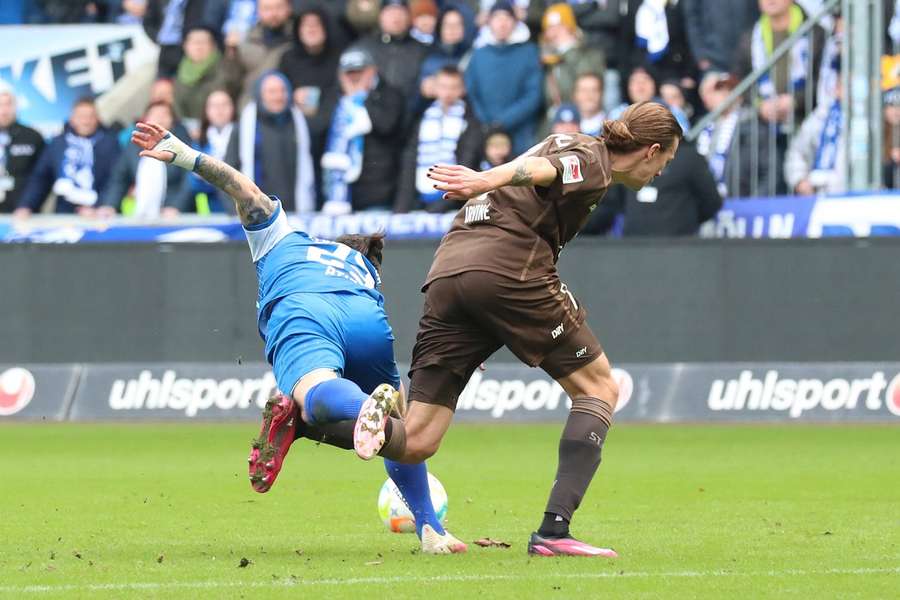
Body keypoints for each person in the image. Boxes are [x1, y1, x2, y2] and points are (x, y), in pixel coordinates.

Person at [131, 119, 467, 555]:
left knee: (315, 390)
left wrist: (184, 154)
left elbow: (244, 191)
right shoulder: (363, 268)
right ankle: (431, 530)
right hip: (365, 313)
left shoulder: (284, 238)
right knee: (399, 427)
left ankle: (337, 412)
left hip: (304, 306)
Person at [381, 101, 682, 557]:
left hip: (449, 272)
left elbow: (544, 162)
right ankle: (554, 531)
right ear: (651, 150)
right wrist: (486, 178)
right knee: (599, 387)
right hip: (509, 271)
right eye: (666, 161)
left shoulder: (571, 139)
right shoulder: (594, 160)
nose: (661, 172)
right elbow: (545, 169)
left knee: (416, 440)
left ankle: (316, 419)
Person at [320, 48, 405, 214]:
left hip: (378, 193)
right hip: (339, 194)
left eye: (359, 71)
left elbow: (386, 125)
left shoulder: (389, 94)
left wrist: (361, 98)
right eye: (349, 72)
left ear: (372, 70)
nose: (354, 77)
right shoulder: (334, 96)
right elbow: (319, 129)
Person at [224, 71, 316, 214]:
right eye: (272, 92)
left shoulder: (300, 124)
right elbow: (228, 171)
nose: (278, 96)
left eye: (282, 91)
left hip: (295, 212)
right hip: (257, 215)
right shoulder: (244, 127)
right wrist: (235, 210)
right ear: (260, 95)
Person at [584, 141, 722, 236]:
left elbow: (712, 201)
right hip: (632, 247)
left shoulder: (689, 157)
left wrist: (686, 219)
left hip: (678, 246)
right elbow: (610, 202)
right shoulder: (627, 157)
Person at [396, 65, 483, 213]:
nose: (448, 92)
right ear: (435, 87)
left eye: (453, 87)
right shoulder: (423, 116)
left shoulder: (470, 121)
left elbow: (467, 162)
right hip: (420, 194)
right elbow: (410, 159)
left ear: (462, 89)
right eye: (443, 86)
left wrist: (444, 204)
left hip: (453, 201)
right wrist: (402, 207)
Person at [278, 6, 343, 203]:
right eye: (306, 25)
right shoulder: (288, 58)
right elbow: (278, 94)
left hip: (332, 134)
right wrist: (292, 97)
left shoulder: (339, 57)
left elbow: (342, 93)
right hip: (297, 135)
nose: (311, 29)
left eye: (316, 25)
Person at [15, 98, 119, 217]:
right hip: (65, 212)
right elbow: (41, 178)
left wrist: (100, 207)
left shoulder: (110, 143)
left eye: (90, 117)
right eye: (81, 117)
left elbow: (115, 180)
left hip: (98, 213)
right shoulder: (58, 143)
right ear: (72, 119)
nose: (86, 121)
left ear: (98, 119)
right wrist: (26, 205)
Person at [465, 1, 542, 154]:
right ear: (489, 22)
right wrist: (488, 122)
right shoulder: (479, 54)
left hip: (521, 135)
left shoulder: (529, 52)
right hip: (485, 132)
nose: (502, 23)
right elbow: (472, 93)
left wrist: (503, 121)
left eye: (507, 18)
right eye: (497, 18)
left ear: (515, 22)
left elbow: (533, 95)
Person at [98, 101, 195, 217]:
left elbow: (189, 180)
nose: (160, 118)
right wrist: (110, 205)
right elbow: (119, 178)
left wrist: (176, 207)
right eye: (155, 115)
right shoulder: (134, 145)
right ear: (145, 120)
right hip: (140, 214)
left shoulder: (182, 145)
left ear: (172, 121)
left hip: (173, 214)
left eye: (164, 115)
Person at [356, 0, 430, 116]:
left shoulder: (423, 51)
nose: (396, 18)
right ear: (380, 17)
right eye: (390, 13)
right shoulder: (364, 48)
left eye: (401, 13)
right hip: (369, 117)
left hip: (410, 117)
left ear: (409, 17)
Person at [223, 0, 295, 107]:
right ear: (258, 11)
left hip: (288, 110)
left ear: (289, 8)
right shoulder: (245, 40)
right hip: (249, 109)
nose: (273, 14)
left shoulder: (299, 40)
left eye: (279, 7)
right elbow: (231, 83)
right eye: (267, 8)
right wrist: (231, 55)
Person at [540, 3, 605, 111]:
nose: (553, 33)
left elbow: (586, 85)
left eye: (559, 27)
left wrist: (569, 49)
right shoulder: (547, 60)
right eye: (549, 28)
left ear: (570, 28)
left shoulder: (589, 54)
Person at [0, 89, 45, 214]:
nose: (4, 111)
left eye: (8, 104)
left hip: (23, 211)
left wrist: (28, 204)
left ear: (16, 107)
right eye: (0, 105)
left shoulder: (33, 137)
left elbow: (42, 177)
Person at [192, 89, 236, 213]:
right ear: (206, 110)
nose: (219, 110)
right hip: (212, 209)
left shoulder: (243, 135)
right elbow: (194, 183)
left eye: (224, 105)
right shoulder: (200, 142)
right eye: (214, 106)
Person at [173, 26, 228, 122]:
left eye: (203, 42)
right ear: (185, 46)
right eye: (194, 42)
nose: (199, 46)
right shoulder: (179, 72)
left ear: (213, 46)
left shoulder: (225, 69)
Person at [571, 72, 605, 137]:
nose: (589, 95)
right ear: (574, 95)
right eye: (584, 90)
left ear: (601, 94)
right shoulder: (565, 127)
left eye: (594, 90)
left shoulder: (612, 127)